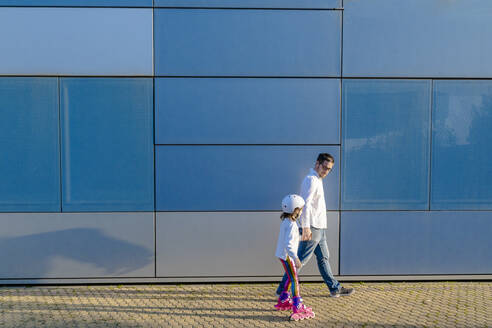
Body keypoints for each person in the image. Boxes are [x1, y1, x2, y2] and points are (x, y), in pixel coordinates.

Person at [276, 153, 354, 298]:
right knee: (299, 261)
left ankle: (334, 288)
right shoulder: (311, 180)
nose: (326, 171)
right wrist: (305, 227)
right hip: (312, 227)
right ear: (317, 163)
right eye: (325, 167)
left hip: (319, 227)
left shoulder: (317, 179)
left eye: (329, 169)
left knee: (324, 257)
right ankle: (282, 290)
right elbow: (305, 205)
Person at [274, 194, 316, 321]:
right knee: (294, 279)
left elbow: (289, 239)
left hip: (282, 255)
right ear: (295, 210)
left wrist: (300, 236)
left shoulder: (287, 221)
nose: (302, 211)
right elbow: (289, 244)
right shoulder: (291, 225)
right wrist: (296, 258)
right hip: (288, 256)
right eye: (301, 209)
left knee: (290, 276)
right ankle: (297, 306)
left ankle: (283, 298)